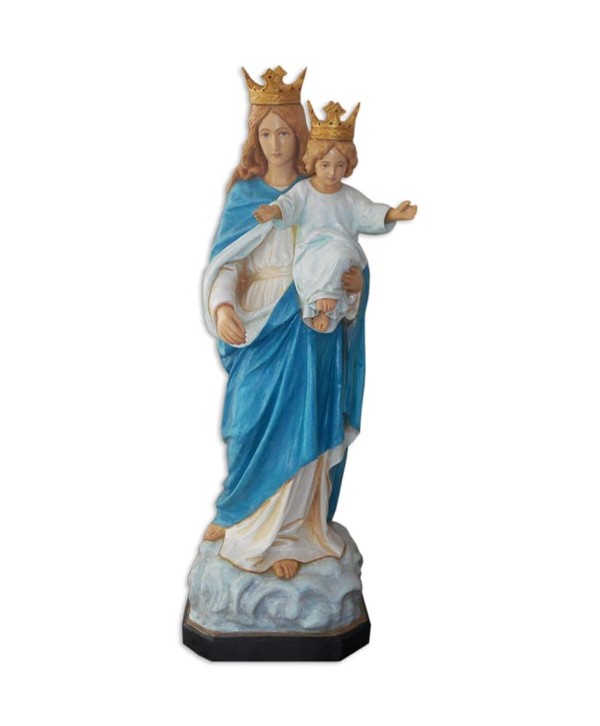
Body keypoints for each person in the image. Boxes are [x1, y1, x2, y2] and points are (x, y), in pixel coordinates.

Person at [202, 67, 368, 579]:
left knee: (303, 422)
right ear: (254, 137)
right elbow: (227, 262)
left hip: (307, 320)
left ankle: (289, 534)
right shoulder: (244, 196)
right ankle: (241, 511)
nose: (275, 144)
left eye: (284, 133)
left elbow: (346, 250)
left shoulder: (318, 191)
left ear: (301, 136)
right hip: (257, 322)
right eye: (265, 133)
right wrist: (223, 306)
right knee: (246, 420)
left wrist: (354, 285)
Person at [254, 101, 417, 333]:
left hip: (342, 250)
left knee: (339, 255)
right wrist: (273, 211)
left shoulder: (349, 197)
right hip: (311, 251)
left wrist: (392, 214)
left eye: (339, 165)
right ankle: (319, 306)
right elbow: (288, 205)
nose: (332, 172)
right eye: (325, 165)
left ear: (347, 166)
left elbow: (369, 212)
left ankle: (329, 308)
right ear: (314, 163)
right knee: (317, 264)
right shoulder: (304, 191)